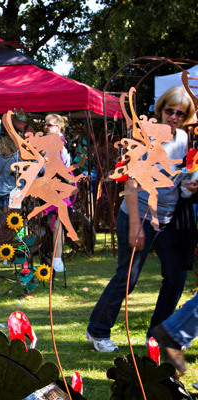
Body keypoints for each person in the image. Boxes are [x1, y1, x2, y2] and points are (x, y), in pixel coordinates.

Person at [85, 86, 197, 353]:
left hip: (169, 220)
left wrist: (191, 186)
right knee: (128, 277)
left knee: (176, 276)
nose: (174, 117)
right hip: (140, 215)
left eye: (180, 114)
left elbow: (179, 178)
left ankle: (158, 334)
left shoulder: (183, 138)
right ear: (160, 110)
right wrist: (136, 225)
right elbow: (132, 183)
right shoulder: (145, 136)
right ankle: (97, 330)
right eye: (169, 111)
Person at [43, 114, 72, 273]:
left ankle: (57, 260)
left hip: (60, 187)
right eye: (46, 125)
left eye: (49, 125)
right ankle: (56, 258)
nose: (46, 127)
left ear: (58, 127)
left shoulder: (57, 143)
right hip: (54, 186)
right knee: (54, 224)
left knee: (57, 225)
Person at [0, 133, 19, 212]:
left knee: (6, 220)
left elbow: (22, 178)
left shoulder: (17, 159)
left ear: (4, 145)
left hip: (10, 195)